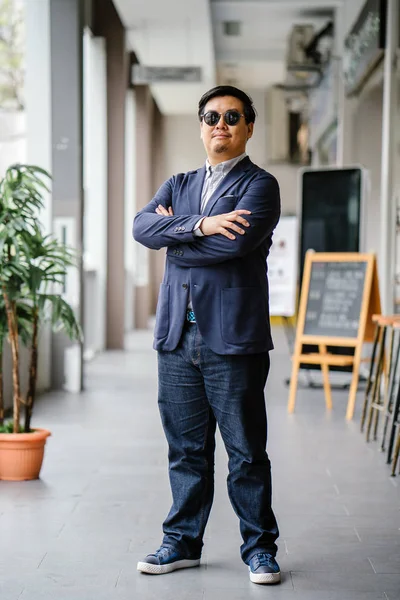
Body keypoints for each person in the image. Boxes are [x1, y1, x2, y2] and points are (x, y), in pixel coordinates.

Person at [133, 85, 281, 585]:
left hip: (233, 340)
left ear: (248, 127)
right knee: (186, 450)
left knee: (245, 451)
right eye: (212, 116)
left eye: (232, 116)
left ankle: (259, 548)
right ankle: (182, 541)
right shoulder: (178, 182)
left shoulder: (260, 186)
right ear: (201, 125)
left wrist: (176, 237)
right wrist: (204, 225)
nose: (221, 123)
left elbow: (232, 249)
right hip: (178, 337)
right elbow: (140, 227)